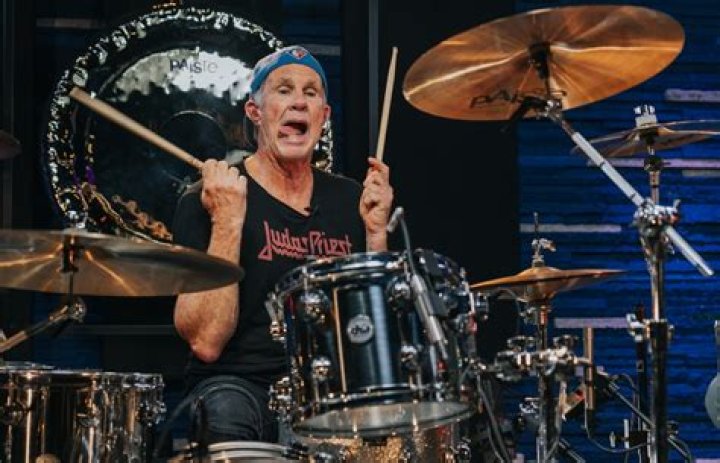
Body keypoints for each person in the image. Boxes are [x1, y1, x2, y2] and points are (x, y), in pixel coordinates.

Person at [171, 45, 394, 446]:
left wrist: (376, 235)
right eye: (284, 90)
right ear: (255, 112)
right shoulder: (210, 196)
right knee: (225, 412)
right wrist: (227, 221)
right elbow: (205, 342)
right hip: (238, 383)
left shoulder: (352, 199)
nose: (299, 102)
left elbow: (371, 334)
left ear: (324, 115)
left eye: (311, 93)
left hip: (328, 388)